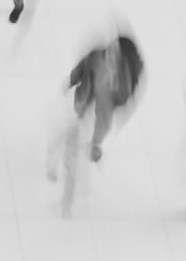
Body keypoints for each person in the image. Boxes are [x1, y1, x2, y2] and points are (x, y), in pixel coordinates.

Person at [51, 31, 146, 212]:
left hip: (101, 115)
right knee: (71, 149)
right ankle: (67, 197)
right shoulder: (97, 57)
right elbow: (81, 68)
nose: (109, 54)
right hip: (83, 108)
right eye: (111, 50)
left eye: (115, 53)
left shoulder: (127, 76)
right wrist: (71, 81)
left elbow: (126, 98)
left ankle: (83, 150)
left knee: (83, 142)